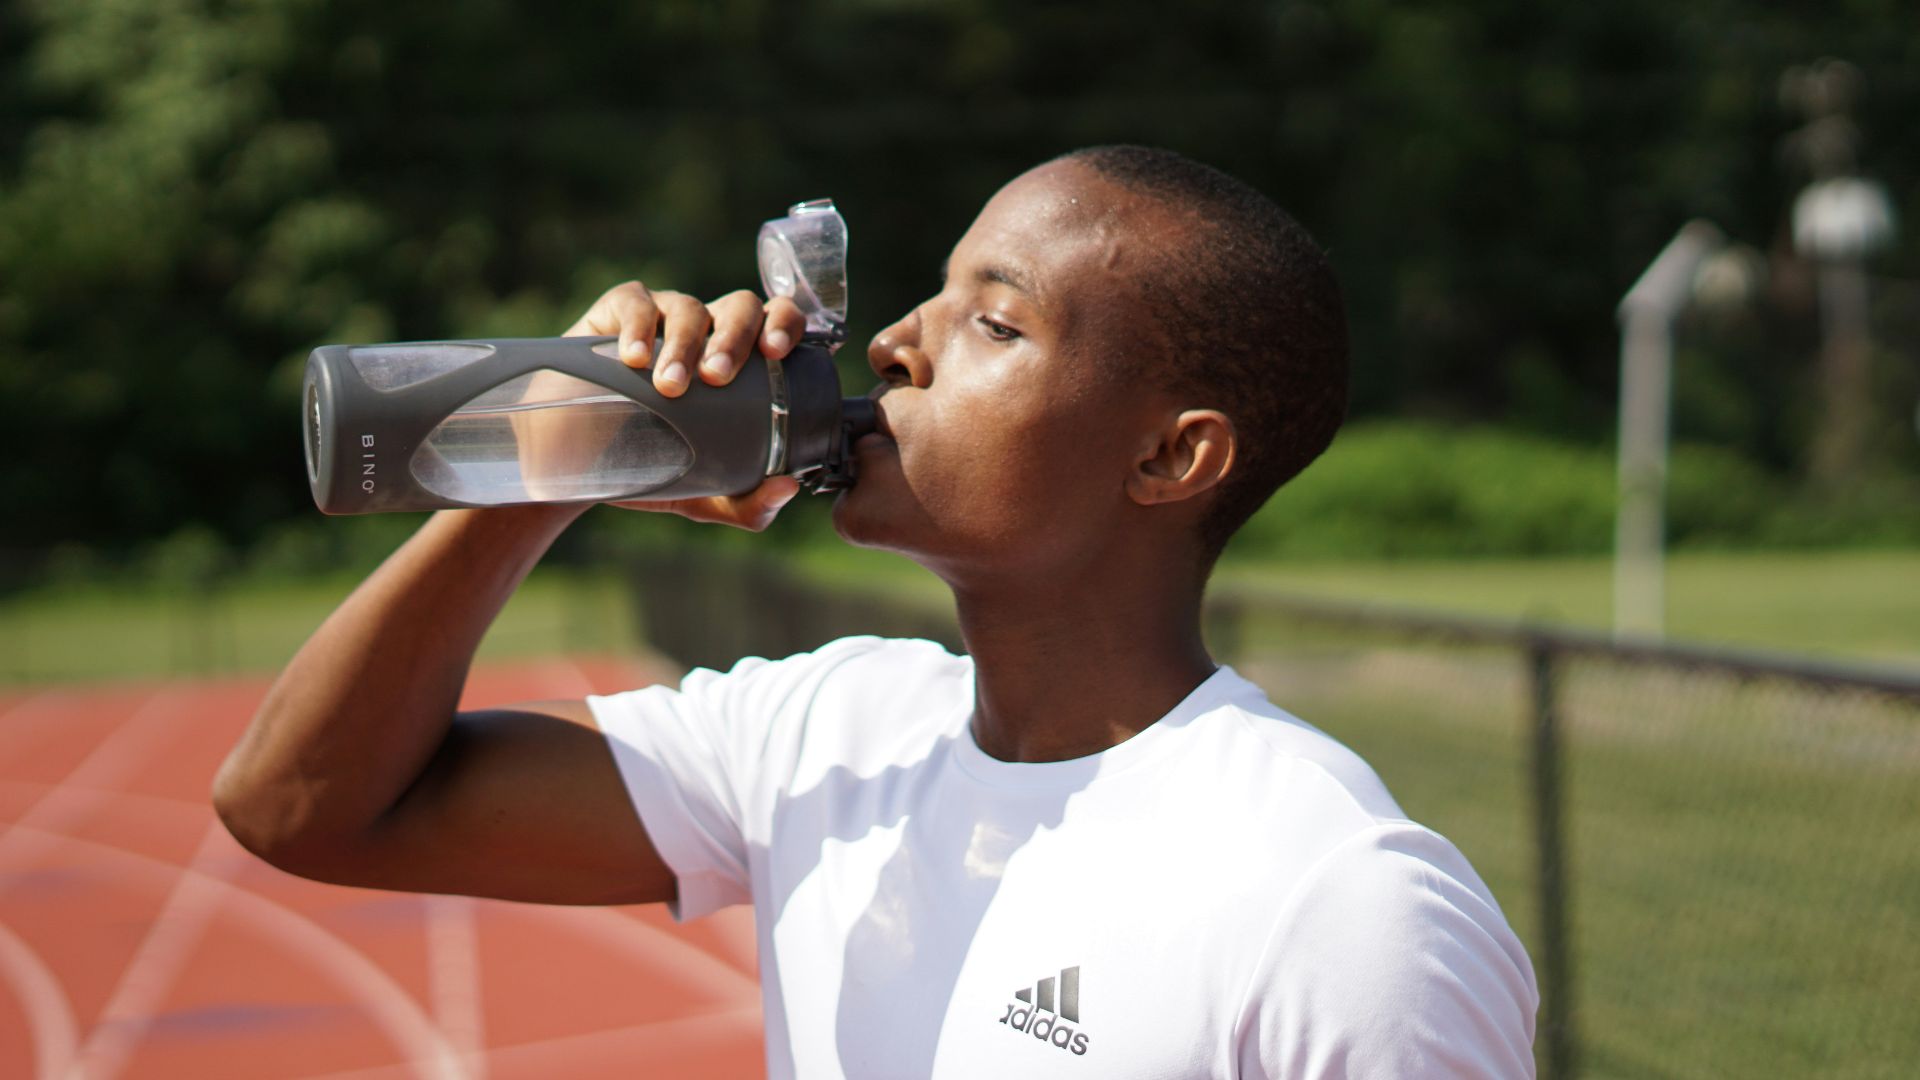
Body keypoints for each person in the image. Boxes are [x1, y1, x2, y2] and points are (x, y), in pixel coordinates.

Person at [214, 146, 1538, 1078]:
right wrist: (557, 450)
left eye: (997, 325)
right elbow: (300, 806)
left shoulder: (1339, 905)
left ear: (1168, 459)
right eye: (932, 293)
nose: (899, 342)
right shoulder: (828, 731)